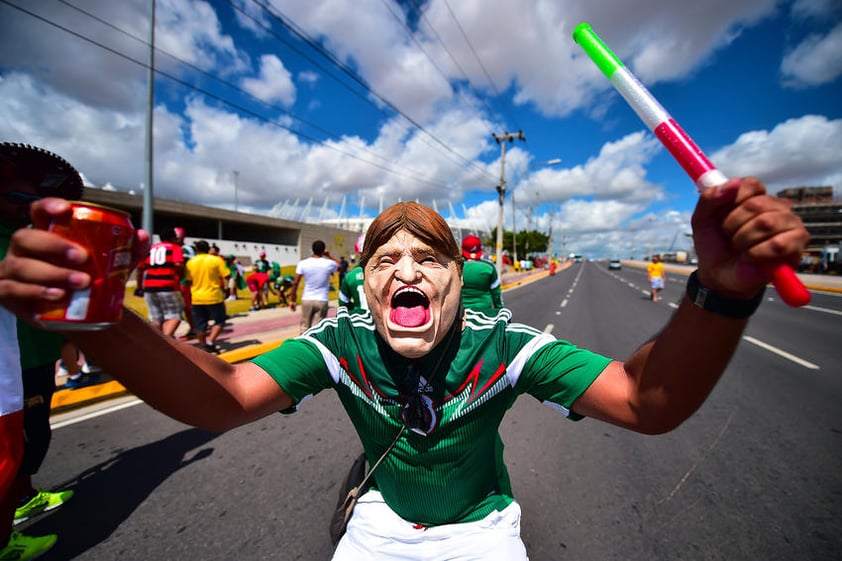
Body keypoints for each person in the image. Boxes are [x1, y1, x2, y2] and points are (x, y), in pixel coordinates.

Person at [0, 176, 809, 559]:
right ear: (367, 283)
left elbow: (644, 399)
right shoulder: (341, 343)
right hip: (378, 526)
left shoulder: (505, 346)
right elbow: (224, 396)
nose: (407, 269)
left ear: (459, 280)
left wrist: (722, 293)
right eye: (387, 257)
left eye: (429, 258)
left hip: (484, 531)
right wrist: (103, 322)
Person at [0, 143, 80, 560]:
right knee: (16, 445)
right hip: (17, 363)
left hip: (32, 358)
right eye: (18, 199)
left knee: (25, 441)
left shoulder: (29, 239)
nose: (29, 208)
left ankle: (22, 497)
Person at [135, 226, 185, 337]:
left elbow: (140, 269)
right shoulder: (175, 248)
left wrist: (139, 287)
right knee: (175, 316)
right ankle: (166, 341)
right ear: (173, 238)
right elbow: (178, 264)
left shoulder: (149, 249)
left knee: (155, 318)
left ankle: (156, 341)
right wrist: (180, 275)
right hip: (168, 285)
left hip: (149, 287)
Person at [185, 240, 229, 354]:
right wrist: (226, 288)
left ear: (196, 249)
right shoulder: (216, 260)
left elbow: (188, 280)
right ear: (208, 249)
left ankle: (203, 346)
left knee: (200, 325)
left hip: (197, 297)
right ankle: (211, 342)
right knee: (220, 320)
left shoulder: (190, 262)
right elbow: (226, 275)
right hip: (214, 296)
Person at [289, 240, 339, 333]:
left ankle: (303, 346)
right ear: (324, 250)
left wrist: (292, 299)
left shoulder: (303, 263)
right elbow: (340, 266)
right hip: (322, 299)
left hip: (307, 298)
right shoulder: (328, 263)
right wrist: (329, 255)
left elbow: (295, 283)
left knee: (304, 327)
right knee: (318, 330)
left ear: (312, 250)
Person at [459, 235, 503, 312]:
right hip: (484, 311)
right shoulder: (489, 267)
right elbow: (496, 293)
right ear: (480, 249)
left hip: (461, 312)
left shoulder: (456, 266)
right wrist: (500, 310)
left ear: (462, 249)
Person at [173, 227, 196, 337]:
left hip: (183, 280)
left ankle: (194, 327)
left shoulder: (186, 249)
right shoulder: (173, 247)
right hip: (174, 280)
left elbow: (189, 264)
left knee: (186, 306)